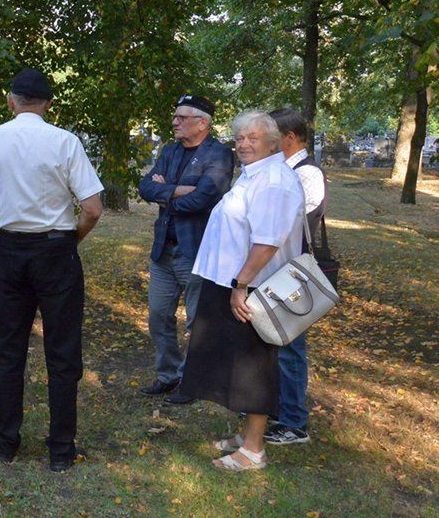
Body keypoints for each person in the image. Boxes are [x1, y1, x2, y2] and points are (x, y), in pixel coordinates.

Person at [0, 69, 104, 472]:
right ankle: (61, 449)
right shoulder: (64, 141)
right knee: (62, 351)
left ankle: (5, 443)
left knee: (9, 348)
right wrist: (71, 239)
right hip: (56, 249)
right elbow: (93, 208)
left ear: (12, 101)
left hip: (11, 249)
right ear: (47, 103)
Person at [179, 110, 305, 472]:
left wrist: (241, 285)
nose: (244, 143)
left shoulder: (274, 181)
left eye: (253, 138)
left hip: (254, 287)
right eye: (240, 137)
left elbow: (267, 242)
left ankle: (253, 450)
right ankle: (249, 434)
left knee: (254, 365)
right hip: (235, 281)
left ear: (272, 142)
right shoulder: (257, 175)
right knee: (239, 361)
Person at [137, 95, 235, 406]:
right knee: (158, 316)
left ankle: (192, 382)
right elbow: (144, 187)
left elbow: (202, 200)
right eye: (175, 116)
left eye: (182, 117)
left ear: (203, 123)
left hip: (196, 251)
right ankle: (168, 376)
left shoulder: (219, 155)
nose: (175, 122)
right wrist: (177, 190)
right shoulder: (170, 150)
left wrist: (164, 193)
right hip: (164, 250)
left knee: (197, 322)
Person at [266, 107, 328, 445]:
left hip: (292, 273)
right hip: (276, 270)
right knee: (273, 344)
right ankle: (277, 410)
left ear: (289, 138)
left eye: (272, 137)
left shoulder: (307, 174)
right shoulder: (283, 170)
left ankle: (293, 422)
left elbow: (283, 219)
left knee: (290, 346)